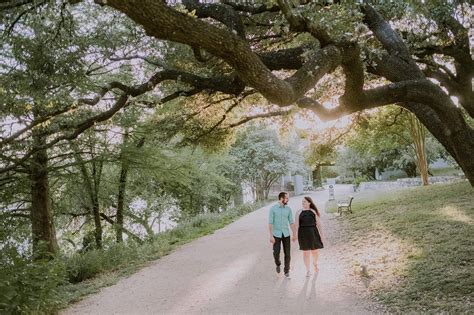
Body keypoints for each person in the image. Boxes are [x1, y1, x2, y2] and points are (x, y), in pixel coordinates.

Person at [294, 196, 324, 276]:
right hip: (303, 234)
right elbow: (296, 225)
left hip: (313, 232)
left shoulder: (313, 212)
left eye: (305, 201)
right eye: (302, 202)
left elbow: (319, 224)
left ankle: (315, 263)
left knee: (315, 251)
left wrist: (322, 235)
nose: (303, 203)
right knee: (305, 253)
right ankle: (307, 270)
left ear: (309, 203)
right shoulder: (298, 212)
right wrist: (295, 235)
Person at [268, 192, 296, 278]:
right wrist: (271, 236)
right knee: (276, 252)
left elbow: (291, 222)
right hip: (276, 234)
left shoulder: (288, 209)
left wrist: (294, 234)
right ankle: (278, 263)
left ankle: (286, 271)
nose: (288, 200)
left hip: (286, 234)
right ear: (281, 198)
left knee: (287, 253)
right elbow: (270, 223)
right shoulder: (273, 209)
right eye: (286, 198)